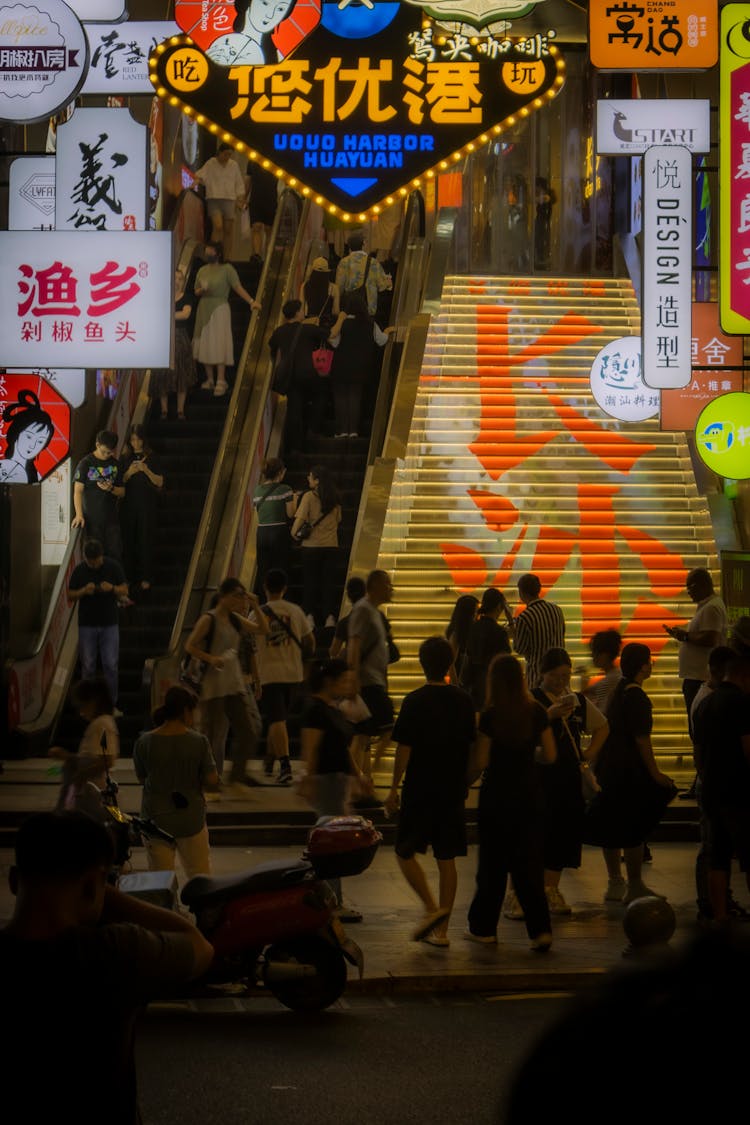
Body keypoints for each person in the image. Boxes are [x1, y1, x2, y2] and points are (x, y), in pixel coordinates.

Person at [0, 811, 213, 1125]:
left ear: (14, 881)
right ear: (90, 886)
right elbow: (200, 947)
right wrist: (105, 894)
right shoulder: (115, 953)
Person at [385, 636, 476, 947]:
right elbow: (472, 744)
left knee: (404, 850)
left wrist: (394, 786)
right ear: (450, 663)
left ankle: (430, 908)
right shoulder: (464, 701)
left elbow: (404, 748)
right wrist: (466, 779)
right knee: (446, 856)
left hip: (420, 786)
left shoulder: (414, 701)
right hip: (452, 787)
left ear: (423, 665)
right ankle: (442, 931)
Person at [464, 654, 556, 951]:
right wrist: (531, 758)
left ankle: (484, 929)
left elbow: (480, 761)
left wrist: (463, 784)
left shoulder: (490, 715)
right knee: (529, 864)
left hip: (497, 798)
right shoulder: (537, 711)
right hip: (530, 796)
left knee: (492, 865)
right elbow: (550, 755)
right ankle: (540, 931)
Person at [585, 643, 677, 904]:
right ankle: (635, 884)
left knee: (612, 824)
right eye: (648, 661)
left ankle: (615, 881)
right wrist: (656, 773)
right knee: (633, 827)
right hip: (629, 772)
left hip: (610, 768)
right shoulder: (636, 697)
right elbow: (642, 740)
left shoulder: (619, 690)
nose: (651, 665)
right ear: (642, 665)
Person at [523, 648, 609, 917]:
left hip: (568, 778)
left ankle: (551, 889)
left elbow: (603, 726)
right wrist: (548, 715)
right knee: (538, 833)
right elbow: (521, 735)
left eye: (566, 676)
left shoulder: (576, 701)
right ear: (542, 674)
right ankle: (529, 892)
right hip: (539, 778)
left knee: (563, 833)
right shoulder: (531, 701)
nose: (561, 682)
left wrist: (590, 753)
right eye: (555, 676)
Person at [184, 578, 270, 796]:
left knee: (248, 730)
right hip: (213, 685)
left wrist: (256, 606)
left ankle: (236, 778)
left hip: (234, 684)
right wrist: (210, 658)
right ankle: (208, 783)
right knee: (211, 734)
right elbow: (190, 645)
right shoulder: (209, 619)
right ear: (224, 596)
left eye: (242, 595)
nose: (240, 599)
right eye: (237, 595)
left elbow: (263, 628)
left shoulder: (236, 619)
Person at [299, 658, 369, 920]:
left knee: (334, 841)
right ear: (330, 681)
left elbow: (342, 749)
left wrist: (358, 775)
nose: (348, 685)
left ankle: (331, 900)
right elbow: (311, 748)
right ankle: (331, 903)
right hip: (326, 781)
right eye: (344, 680)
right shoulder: (316, 710)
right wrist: (307, 778)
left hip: (337, 782)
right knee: (332, 843)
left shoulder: (333, 709)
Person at [133, 686, 218, 878]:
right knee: (199, 876)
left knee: (160, 879)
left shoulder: (144, 742)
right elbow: (212, 779)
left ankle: (165, 908)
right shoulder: (199, 741)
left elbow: (142, 778)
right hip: (191, 819)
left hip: (155, 819)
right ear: (186, 711)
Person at [692, 648, 750, 923]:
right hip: (740, 791)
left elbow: (699, 753)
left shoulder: (705, 704)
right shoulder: (741, 703)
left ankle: (719, 914)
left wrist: (706, 778)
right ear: (743, 675)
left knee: (719, 856)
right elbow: (748, 747)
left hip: (713, 790)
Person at [254, 568, 315, 785]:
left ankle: (281, 762)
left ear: (265, 587)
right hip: (293, 673)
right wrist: (305, 666)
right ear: (285, 588)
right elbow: (310, 641)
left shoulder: (257, 613)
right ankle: (276, 760)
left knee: (277, 720)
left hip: (268, 674)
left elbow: (249, 644)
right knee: (279, 719)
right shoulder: (295, 611)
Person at [664, 567, 727, 736]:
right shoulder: (707, 606)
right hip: (697, 677)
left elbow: (710, 638)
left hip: (700, 678)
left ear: (702, 584)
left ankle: (701, 759)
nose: (688, 592)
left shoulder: (711, 608)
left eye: (690, 587)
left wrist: (685, 636)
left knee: (699, 728)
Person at [347, 569, 395, 787]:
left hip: (374, 680)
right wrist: (353, 676)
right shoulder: (363, 610)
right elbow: (354, 643)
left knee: (363, 735)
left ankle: (361, 779)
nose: (391, 589)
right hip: (366, 681)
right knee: (384, 727)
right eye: (388, 584)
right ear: (375, 586)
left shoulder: (374, 611)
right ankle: (361, 776)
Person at [192, 241, 260, 397]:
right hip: (203, 308)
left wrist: (251, 301)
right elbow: (196, 291)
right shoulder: (202, 270)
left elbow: (237, 287)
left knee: (218, 343)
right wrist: (202, 290)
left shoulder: (227, 269)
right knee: (205, 343)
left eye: (210, 250)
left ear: (218, 252)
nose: (207, 253)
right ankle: (209, 379)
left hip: (220, 308)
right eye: (206, 250)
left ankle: (221, 380)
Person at [68, 539, 128, 710]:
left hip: (110, 624)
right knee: (87, 667)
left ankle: (111, 704)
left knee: (110, 664)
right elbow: (70, 594)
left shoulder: (113, 566)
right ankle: (87, 705)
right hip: (87, 624)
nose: (94, 565)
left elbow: (125, 589)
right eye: (90, 562)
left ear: (102, 556)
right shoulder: (80, 570)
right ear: (85, 558)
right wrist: (83, 591)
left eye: (96, 561)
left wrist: (113, 589)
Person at [328, 290, 394, 438]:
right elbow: (382, 340)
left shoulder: (343, 324)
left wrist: (340, 320)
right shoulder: (370, 324)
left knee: (340, 399)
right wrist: (387, 332)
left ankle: (342, 431)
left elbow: (333, 341)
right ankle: (353, 431)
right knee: (355, 398)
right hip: (360, 368)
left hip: (341, 366)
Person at [49, 678, 119, 814]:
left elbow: (108, 760)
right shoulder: (101, 723)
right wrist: (67, 756)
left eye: (82, 705)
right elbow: (91, 758)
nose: (81, 712)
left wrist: (81, 775)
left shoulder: (102, 724)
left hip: (93, 793)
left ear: (94, 702)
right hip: (89, 793)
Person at [290, 464, 342, 630]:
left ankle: (310, 616)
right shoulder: (335, 498)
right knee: (329, 583)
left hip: (311, 548)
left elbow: (299, 520)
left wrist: (294, 533)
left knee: (310, 582)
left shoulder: (309, 497)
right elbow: (338, 520)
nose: (308, 478)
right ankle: (330, 618)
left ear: (317, 480)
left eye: (310, 476)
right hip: (331, 547)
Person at [118, 425, 163, 596]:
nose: (136, 443)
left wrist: (146, 470)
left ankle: (147, 576)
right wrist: (130, 472)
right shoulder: (124, 459)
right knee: (128, 540)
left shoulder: (152, 458)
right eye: (133, 440)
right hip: (128, 506)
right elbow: (119, 482)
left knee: (146, 539)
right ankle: (129, 576)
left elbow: (160, 482)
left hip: (147, 505)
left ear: (144, 439)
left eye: (138, 439)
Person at [151, 265, 197, 420]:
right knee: (162, 373)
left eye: (180, 279)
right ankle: (164, 410)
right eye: (175, 278)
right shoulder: (162, 296)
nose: (177, 281)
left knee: (182, 374)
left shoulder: (187, 297)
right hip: (164, 337)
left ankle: (180, 410)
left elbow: (185, 314)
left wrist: (166, 314)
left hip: (180, 337)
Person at [72, 429, 124, 562]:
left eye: (110, 452)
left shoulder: (115, 464)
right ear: (97, 445)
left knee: (114, 554)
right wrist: (79, 514)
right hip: (91, 520)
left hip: (111, 519)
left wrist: (111, 488)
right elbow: (78, 490)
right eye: (104, 451)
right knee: (93, 556)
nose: (107, 455)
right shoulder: (86, 463)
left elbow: (123, 491)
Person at [461, 587, 513, 712]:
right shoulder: (499, 632)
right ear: (500, 606)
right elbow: (506, 659)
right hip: (493, 685)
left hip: (472, 684)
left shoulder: (472, 627)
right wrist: (510, 620)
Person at [513, 573, 566, 690]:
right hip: (561, 676)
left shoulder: (525, 617)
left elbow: (519, 648)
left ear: (522, 593)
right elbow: (562, 635)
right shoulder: (557, 610)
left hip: (537, 678)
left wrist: (514, 632)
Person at [253, 457, 297, 594]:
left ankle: (264, 601)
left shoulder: (257, 490)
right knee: (281, 569)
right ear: (280, 473)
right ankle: (280, 602)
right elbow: (290, 514)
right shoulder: (285, 489)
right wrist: (295, 498)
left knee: (264, 569)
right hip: (278, 532)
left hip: (261, 533)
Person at [193, 144, 248, 255]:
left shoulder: (234, 165)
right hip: (214, 199)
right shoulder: (211, 163)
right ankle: (213, 254)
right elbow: (199, 175)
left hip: (229, 199)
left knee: (228, 230)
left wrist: (240, 199)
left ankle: (227, 257)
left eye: (229, 155)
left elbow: (239, 184)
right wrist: (195, 182)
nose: (227, 157)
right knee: (218, 226)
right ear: (220, 152)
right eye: (225, 154)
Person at [207, 0, 295, 66]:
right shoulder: (218, 44)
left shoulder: (280, 59)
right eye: (265, 3)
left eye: (280, 9)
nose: (270, 15)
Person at [0, 389, 53, 483]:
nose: (32, 446)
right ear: (17, 432)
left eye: (40, 441)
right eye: (29, 436)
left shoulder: (38, 478)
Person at [335, 231, 392, 317]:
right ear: (363, 245)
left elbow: (339, 287)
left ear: (349, 247)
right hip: (368, 309)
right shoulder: (373, 262)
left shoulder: (344, 262)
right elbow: (382, 286)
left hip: (349, 308)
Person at [582, 628, 622, 715]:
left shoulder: (609, 681)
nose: (592, 656)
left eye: (595, 652)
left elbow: (601, 714)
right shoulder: (618, 674)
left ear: (605, 655)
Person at [247, 162, 279, 260]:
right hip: (256, 198)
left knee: (269, 229)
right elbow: (248, 180)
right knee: (256, 226)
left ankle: (269, 256)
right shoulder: (252, 161)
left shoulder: (276, 160)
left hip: (271, 198)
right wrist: (244, 197)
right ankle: (257, 254)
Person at [329, 576, 367, 659]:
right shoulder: (378, 617)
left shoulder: (344, 623)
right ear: (365, 594)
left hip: (355, 667)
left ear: (349, 596)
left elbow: (334, 651)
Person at [445, 593, 479, 684]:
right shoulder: (457, 634)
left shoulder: (468, 632)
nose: (477, 616)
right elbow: (451, 664)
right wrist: (456, 685)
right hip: (461, 683)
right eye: (475, 612)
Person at [301, 256, 339, 329]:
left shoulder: (304, 286)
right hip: (326, 325)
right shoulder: (334, 288)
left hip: (309, 324)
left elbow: (301, 309)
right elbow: (335, 311)